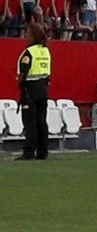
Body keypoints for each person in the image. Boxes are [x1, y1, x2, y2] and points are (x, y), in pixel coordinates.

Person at [17, 16, 52, 159]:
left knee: (30, 122)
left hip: (30, 90)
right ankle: (43, 152)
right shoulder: (45, 50)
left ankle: (29, 152)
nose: (26, 35)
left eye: (27, 33)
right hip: (43, 88)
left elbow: (23, 73)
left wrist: (20, 83)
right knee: (41, 122)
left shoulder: (29, 52)